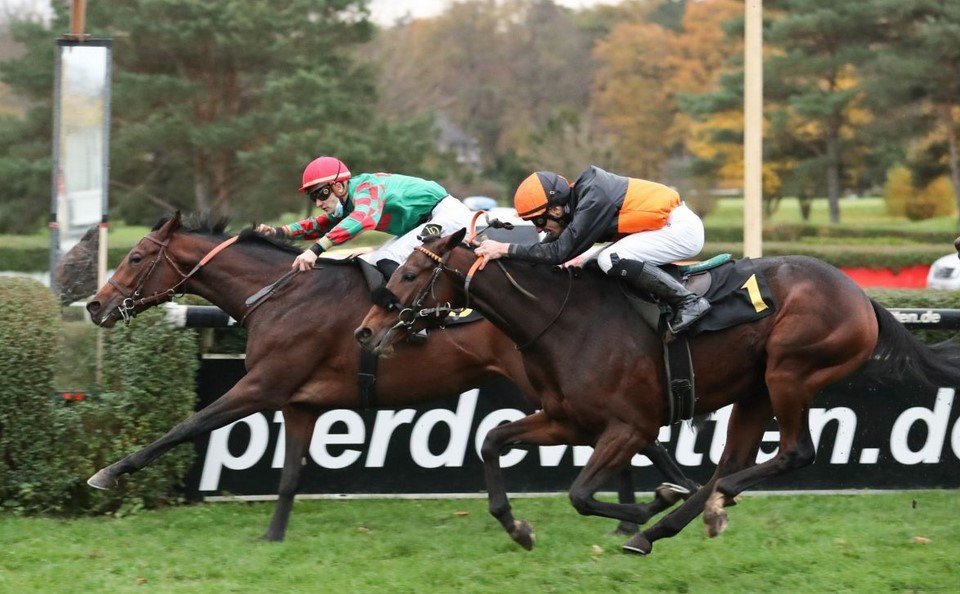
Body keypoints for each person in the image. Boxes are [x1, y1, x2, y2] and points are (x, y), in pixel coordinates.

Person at [474, 166, 711, 334]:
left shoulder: (593, 200)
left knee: (610, 259)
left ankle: (688, 302)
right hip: (662, 229)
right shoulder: (581, 199)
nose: (538, 229)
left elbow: (558, 253)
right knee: (589, 263)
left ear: (556, 210)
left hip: (679, 230)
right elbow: (547, 248)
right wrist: (502, 256)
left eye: (538, 221)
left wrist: (504, 248)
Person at [257, 156, 473, 279]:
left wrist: (316, 250)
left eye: (321, 194)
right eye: (313, 197)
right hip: (426, 221)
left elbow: (363, 219)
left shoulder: (366, 188)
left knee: (387, 258)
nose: (318, 203)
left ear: (339, 186)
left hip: (447, 215)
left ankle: (416, 318)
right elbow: (318, 225)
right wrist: (279, 232)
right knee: (371, 262)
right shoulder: (346, 202)